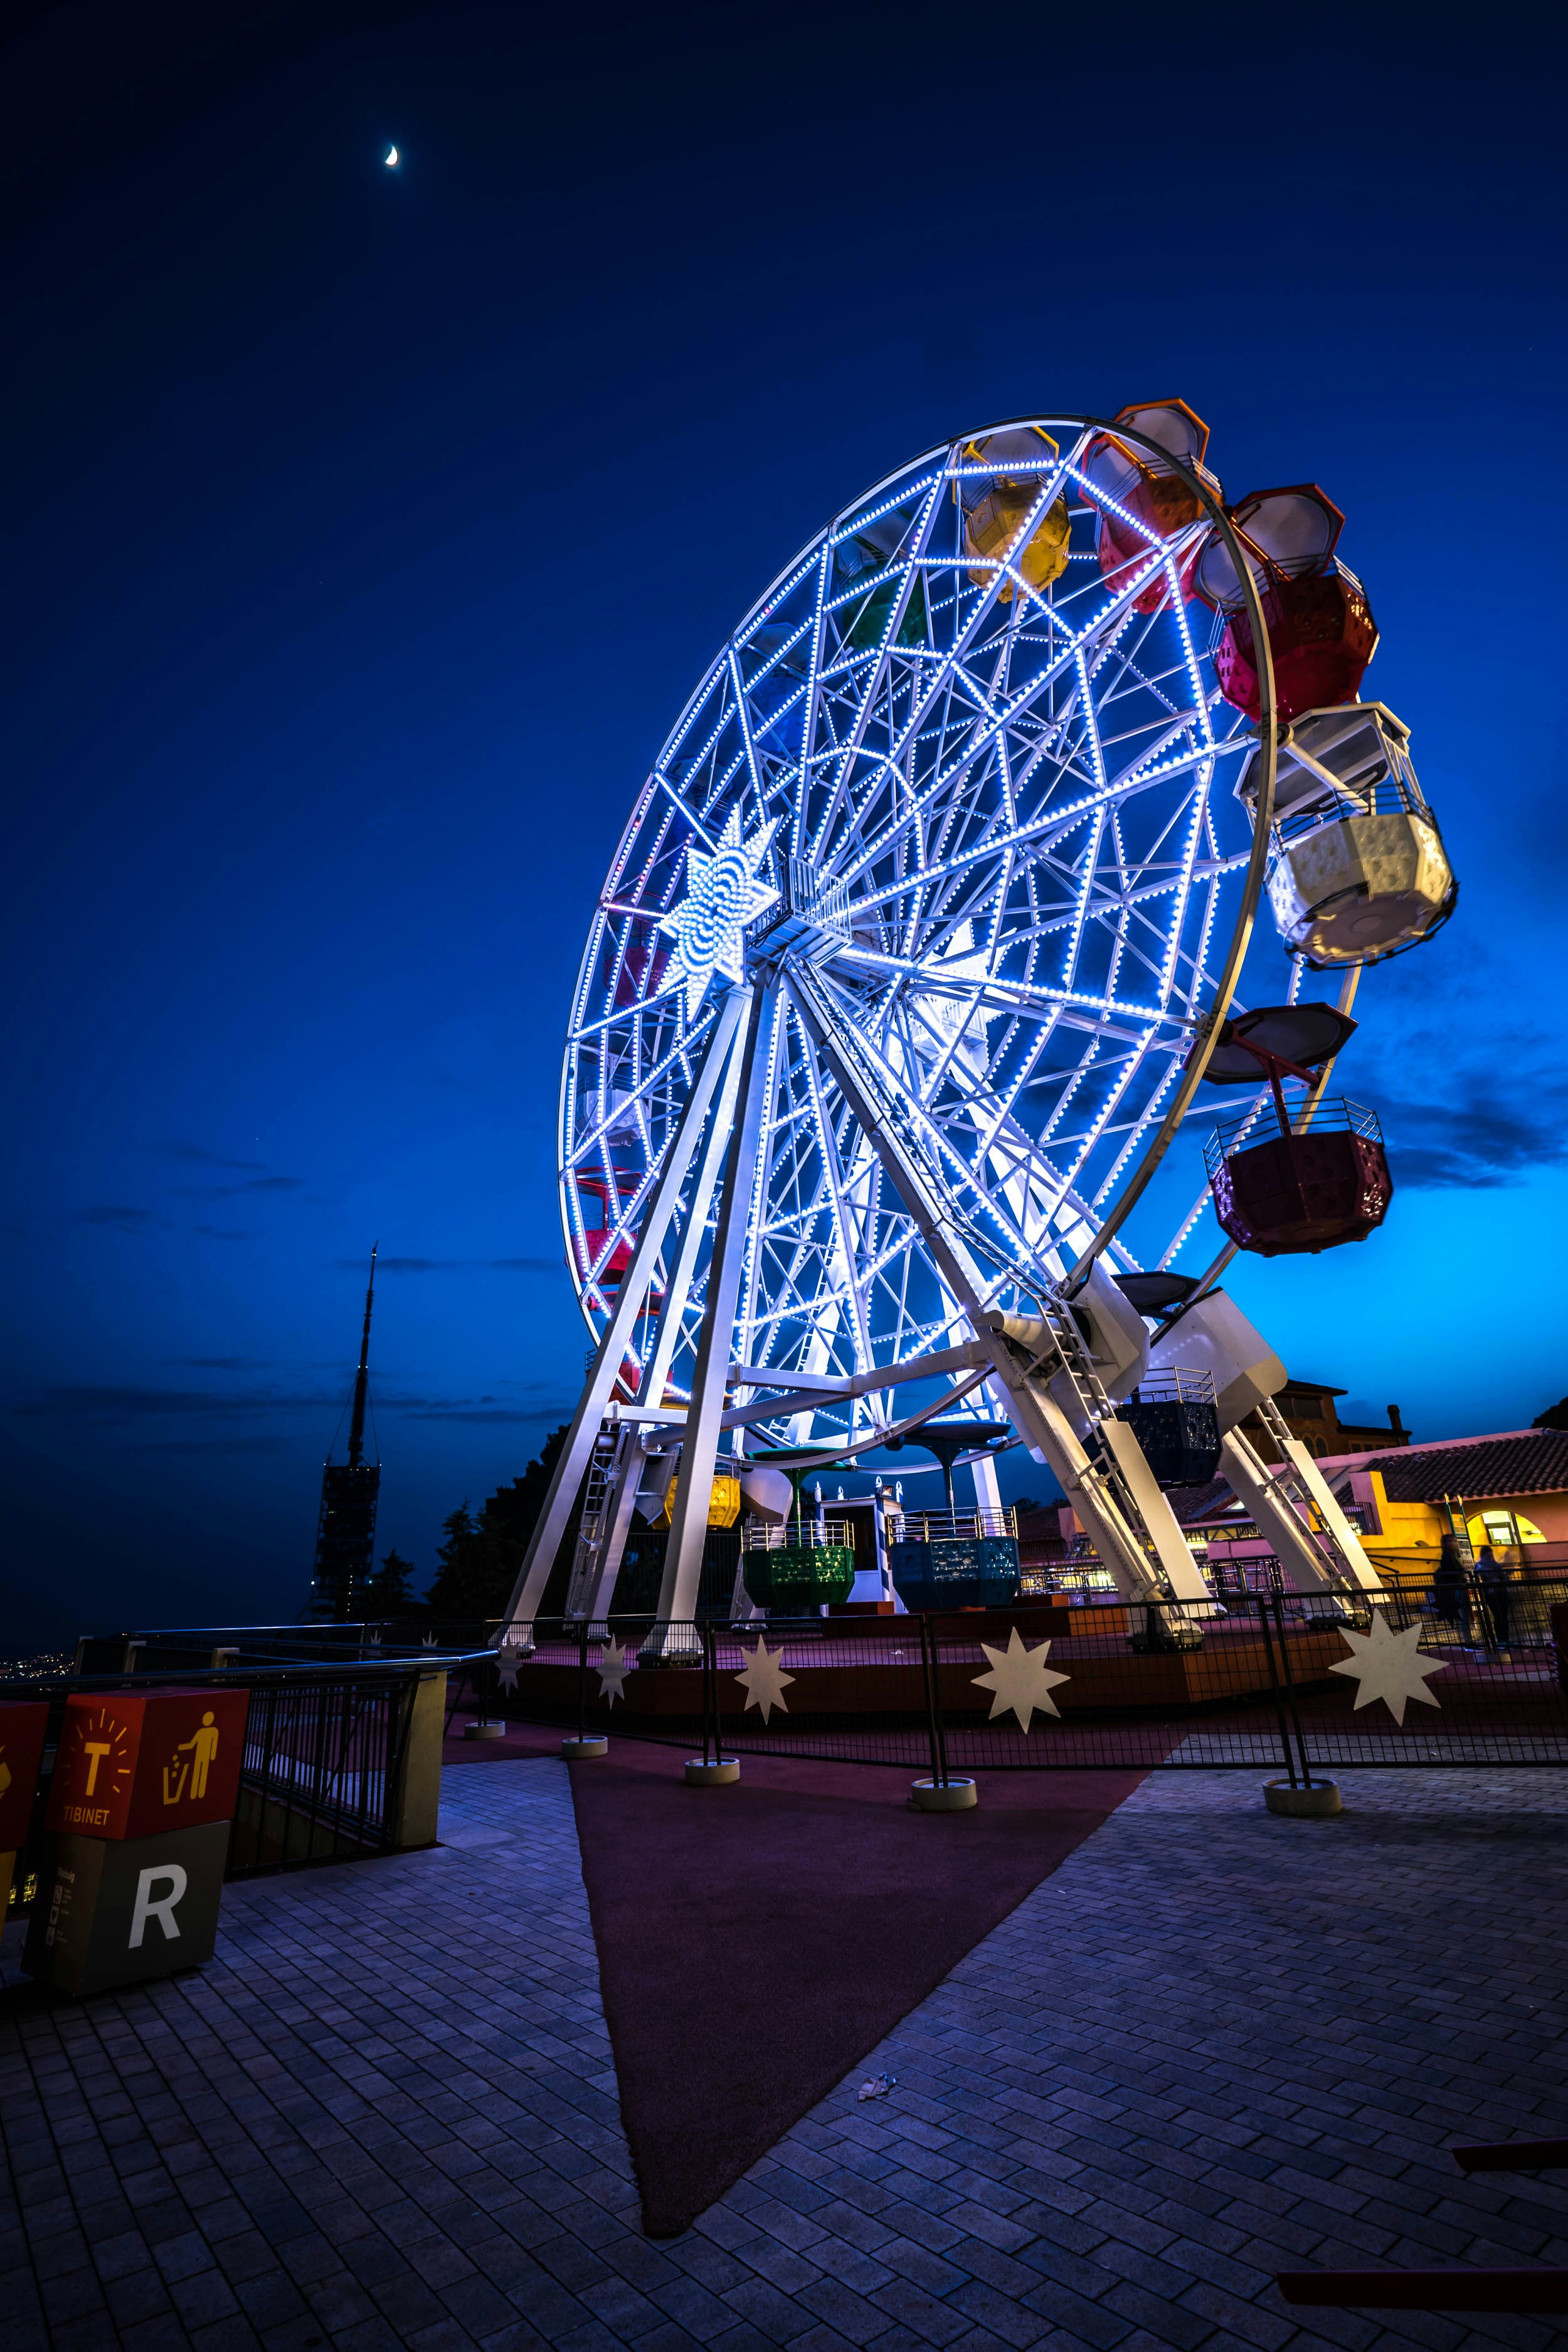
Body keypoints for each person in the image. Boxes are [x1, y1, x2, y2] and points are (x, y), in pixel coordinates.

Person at [1432, 1535, 1471, 1643]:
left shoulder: (1451, 1555)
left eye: (1455, 1541)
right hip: (1456, 1587)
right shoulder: (1448, 1556)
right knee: (1464, 1613)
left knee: (1464, 1614)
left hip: (1456, 1587)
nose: (1454, 1543)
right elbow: (1452, 1571)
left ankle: (1468, 1638)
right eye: (1450, 1541)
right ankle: (1468, 1640)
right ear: (1445, 1543)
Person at [1473, 1545, 1513, 1650]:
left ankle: (1505, 1639)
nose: (1490, 1556)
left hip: (1499, 1592)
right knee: (1499, 1616)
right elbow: (1482, 1574)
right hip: (1492, 1593)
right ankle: (1501, 1640)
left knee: (1503, 1616)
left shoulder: (1493, 1565)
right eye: (1488, 1554)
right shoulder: (1483, 1565)